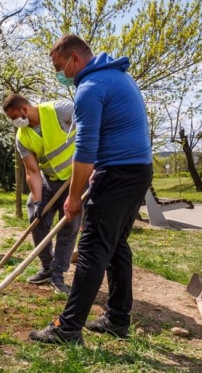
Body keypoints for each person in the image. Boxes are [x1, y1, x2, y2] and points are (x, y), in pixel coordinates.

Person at [29, 35, 153, 345]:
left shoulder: (90, 88)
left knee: (92, 249)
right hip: (138, 170)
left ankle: (68, 328)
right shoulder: (116, 76)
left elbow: (84, 149)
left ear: (75, 59)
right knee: (116, 246)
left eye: (60, 66)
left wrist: (73, 197)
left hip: (119, 174)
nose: (61, 73)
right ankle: (117, 318)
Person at [2, 94, 78, 294]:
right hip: (49, 178)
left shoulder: (60, 110)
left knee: (69, 224)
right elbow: (32, 171)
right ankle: (47, 266)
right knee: (36, 217)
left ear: (25, 110)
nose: (14, 123)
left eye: (14, 117)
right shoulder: (22, 137)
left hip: (75, 178)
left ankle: (58, 274)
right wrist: (37, 201)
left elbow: (91, 125)